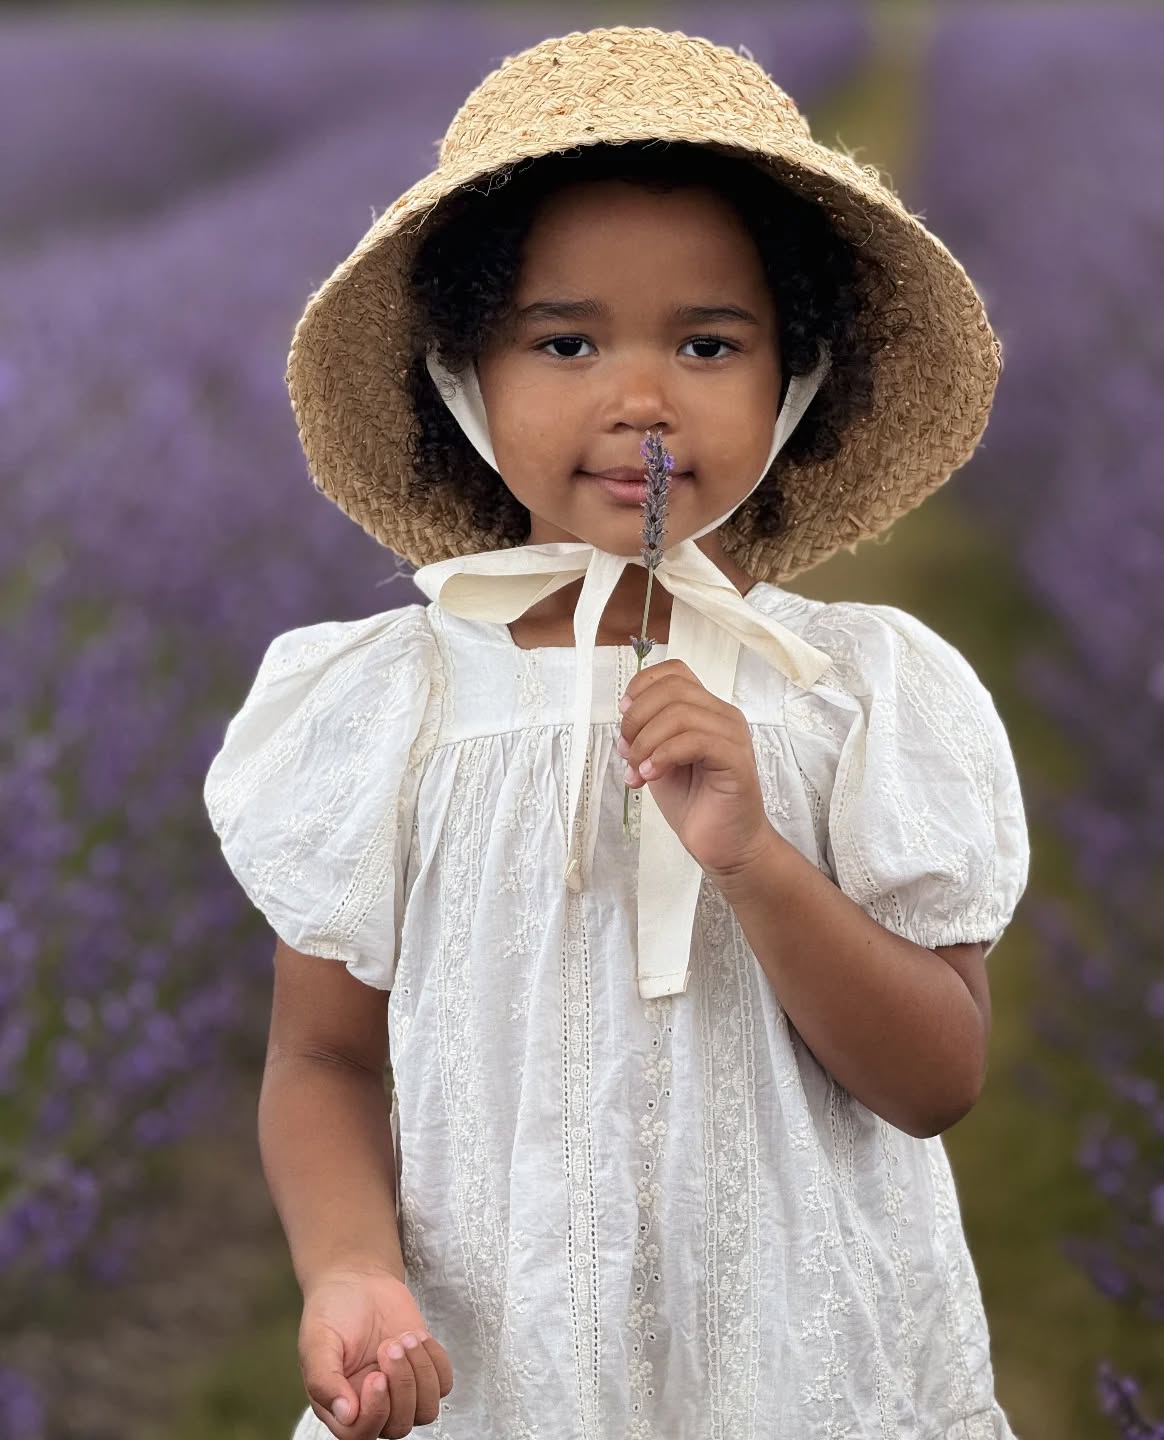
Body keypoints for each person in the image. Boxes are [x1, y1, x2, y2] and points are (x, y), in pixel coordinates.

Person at [203, 25, 1030, 1440]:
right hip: (503, 1371)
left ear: (797, 382)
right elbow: (325, 1057)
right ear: (464, 377)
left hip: (804, 1369)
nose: (638, 399)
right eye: (566, 341)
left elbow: (937, 1079)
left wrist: (756, 858)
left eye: (709, 343)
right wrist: (348, 1269)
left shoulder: (857, 693)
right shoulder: (395, 703)